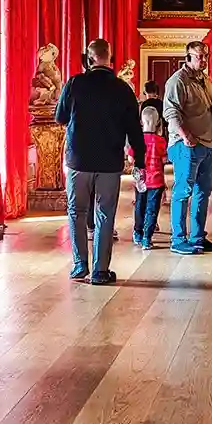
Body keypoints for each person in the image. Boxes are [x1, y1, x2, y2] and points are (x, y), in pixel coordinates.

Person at [54, 38, 145, 285]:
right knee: (105, 214)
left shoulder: (75, 83)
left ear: (89, 58)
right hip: (109, 162)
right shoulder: (122, 89)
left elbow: (60, 117)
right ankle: (100, 270)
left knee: (77, 212)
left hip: (78, 160)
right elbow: (134, 129)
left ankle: (79, 265)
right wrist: (141, 159)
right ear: (110, 57)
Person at [163, 40, 212, 255]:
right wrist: (185, 136)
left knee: (202, 193)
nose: (204, 60)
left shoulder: (206, 80)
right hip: (186, 146)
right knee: (182, 191)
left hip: (208, 144)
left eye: (206, 55)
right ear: (187, 57)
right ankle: (178, 239)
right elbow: (171, 113)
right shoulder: (177, 81)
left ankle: (198, 237)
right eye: (199, 56)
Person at [132, 105, 168, 249]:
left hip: (141, 181)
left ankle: (137, 233)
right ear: (158, 122)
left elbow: (130, 158)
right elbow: (165, 159)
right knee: (152, 209)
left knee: (139, 207)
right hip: (156, 181)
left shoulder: (137, 140)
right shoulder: (161, 141)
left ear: (141, 121)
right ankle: (147, 238)